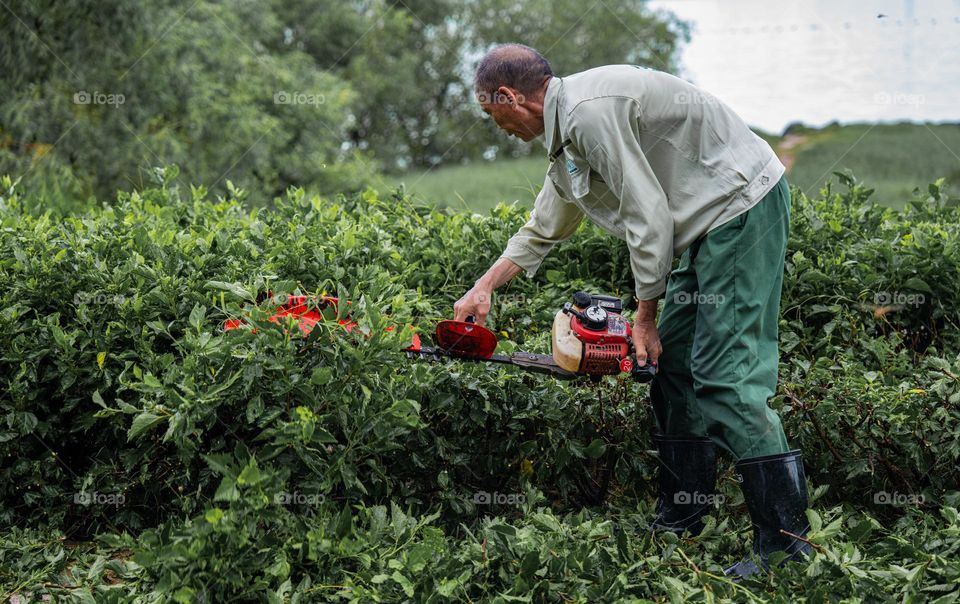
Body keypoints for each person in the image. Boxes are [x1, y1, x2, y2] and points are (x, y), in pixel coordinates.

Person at [453, 43, 812, 579]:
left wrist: (644, 317)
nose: (497, 127)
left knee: (726, 380)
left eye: (491, 113)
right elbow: (544, 227)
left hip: (740, 207)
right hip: (705, 227)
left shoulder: (588, 115)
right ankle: (683, 515)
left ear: (508, 96)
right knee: (671, 370)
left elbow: (649, 217)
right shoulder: (566, 138)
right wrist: (484, 287)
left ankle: (786, 543)